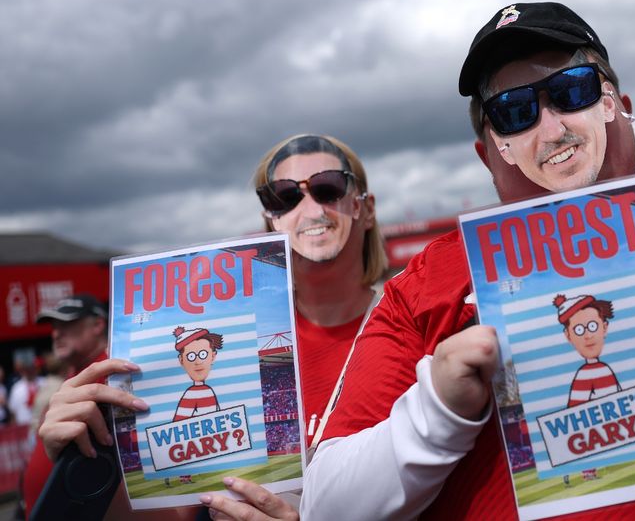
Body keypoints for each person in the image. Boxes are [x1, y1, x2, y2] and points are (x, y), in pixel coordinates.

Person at [302, 2, 635, 519]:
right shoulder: (422, 287)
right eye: (514, 112)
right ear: (489, 153)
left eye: (571, 92)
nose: (551, 127)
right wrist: (439, 412)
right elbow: (326, 506)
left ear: (617, 105)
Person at [32, 135, 445, 520]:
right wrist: (92, 461)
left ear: (365, 208)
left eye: (328, 187)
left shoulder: (418, 327)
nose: (310, 208)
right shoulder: (231, 348)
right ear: (271, 221)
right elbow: (177, 514)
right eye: (283, 196)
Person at [20, 294, 110, 516]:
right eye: (54, 326)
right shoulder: (73, 376)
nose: (56, 333)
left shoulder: (112, 374)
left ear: (98, 325)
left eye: (67, 324)